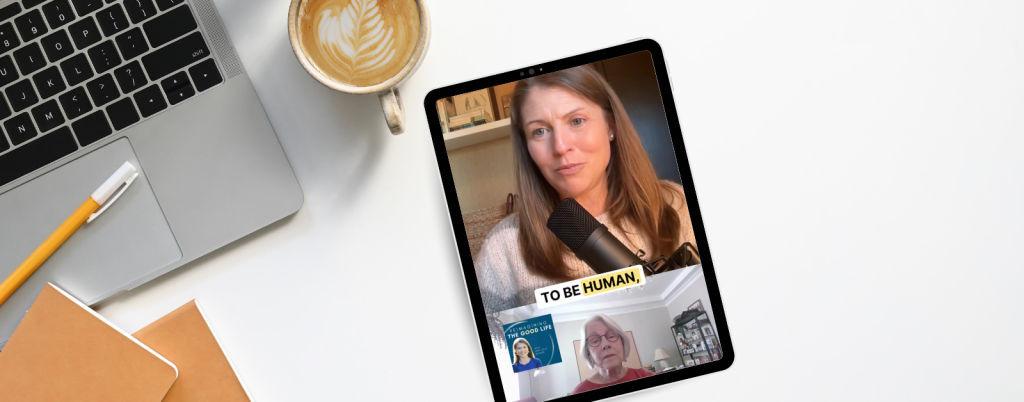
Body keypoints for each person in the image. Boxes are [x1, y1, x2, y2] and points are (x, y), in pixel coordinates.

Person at [475, 65, 697, 317]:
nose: (560, 146)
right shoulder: (502, 248)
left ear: (610, 125)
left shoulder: (678, 204)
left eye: (576, 121)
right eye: (539, 131)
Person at [572, 314, 652, 394]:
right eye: (595, 341)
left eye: (611, 336)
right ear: (588, 353)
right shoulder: (579, 392)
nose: (605, 344)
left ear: (623, 343)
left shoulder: (646, 376)